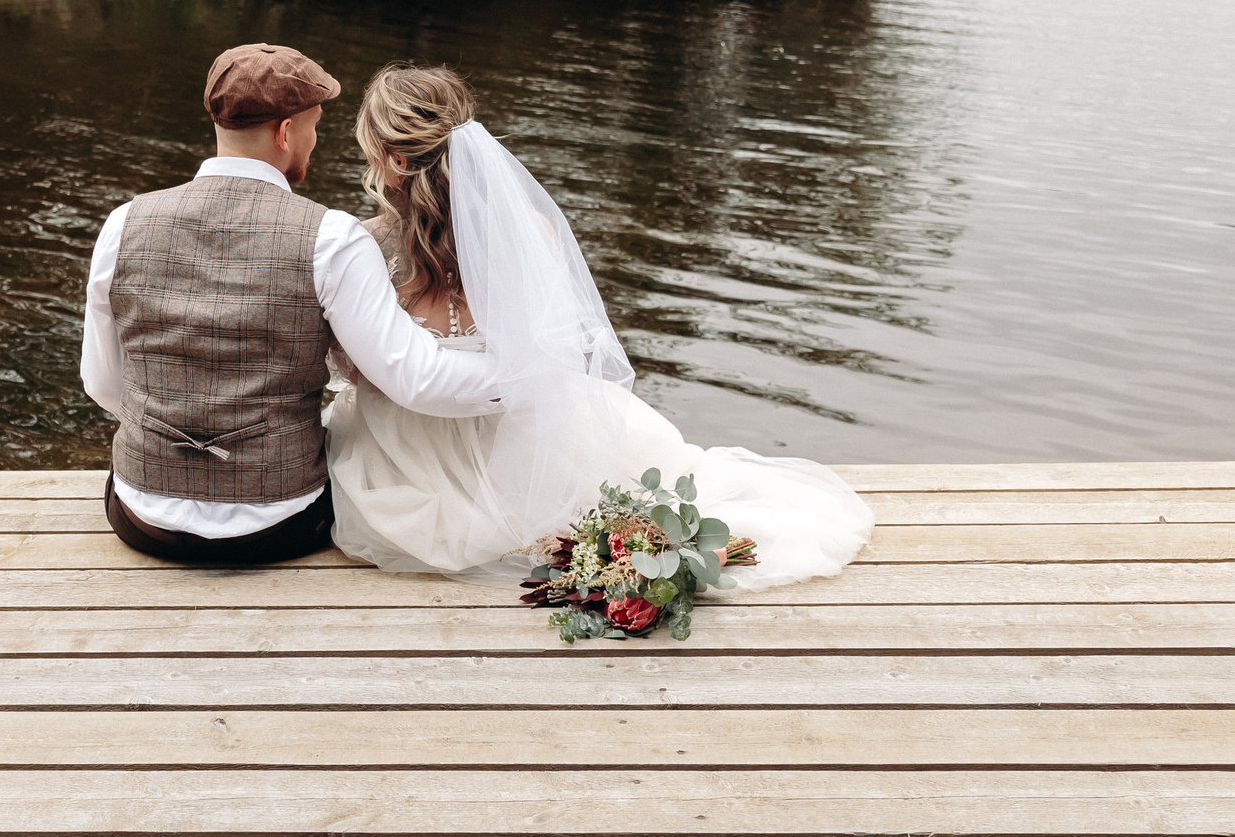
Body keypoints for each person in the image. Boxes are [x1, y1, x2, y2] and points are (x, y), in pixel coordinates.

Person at [324, 63, 875, 586]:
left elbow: (359, 369)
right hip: (519, 444)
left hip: (404, 459)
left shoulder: (367, 248)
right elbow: (555, 348)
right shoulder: (528, 233)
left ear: (392, 158)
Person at [79, 43, 505, 565]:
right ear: (285, 133)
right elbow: (414, 379)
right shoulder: (333, 237)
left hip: (142, 518)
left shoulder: (123, 224)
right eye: (314, 126)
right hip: (280, 523)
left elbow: (102, 383)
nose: (315, 141)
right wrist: (529, 377)